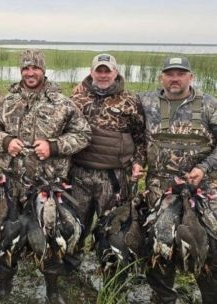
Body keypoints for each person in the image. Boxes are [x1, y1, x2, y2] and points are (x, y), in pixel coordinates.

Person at [0, 49, 91, 302]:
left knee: (51, 236)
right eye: (26, 69)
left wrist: (53, 146)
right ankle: (5, 285)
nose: (30, 73)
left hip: (48, 185)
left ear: (43, 71)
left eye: (35, 68)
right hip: (12, 182)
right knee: (5, 233)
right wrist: (6, 140)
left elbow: (84, 135)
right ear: (21, 71)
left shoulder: (62, 104)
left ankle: (52, 290)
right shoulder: (6, 101)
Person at [139, 56, 217, 304]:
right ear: (161, 76)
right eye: (170, 73)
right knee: (159, 246)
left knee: (207, 248)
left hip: (201, 190)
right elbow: (116, 105)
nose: (175, 78)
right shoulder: (146, 102)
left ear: (190, 77)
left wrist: (203, 168)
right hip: (159, 188)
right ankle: (163, 297)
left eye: (180, 73)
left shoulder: (208, 105)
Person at [69, 53, 146, 276]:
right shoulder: (77, 99)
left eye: (107, 70)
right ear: (91, 72)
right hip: (80, 173)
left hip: (113, 178)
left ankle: (113, 273)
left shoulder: (130, 101)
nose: (103, 75)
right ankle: (70, 269)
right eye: (99, 70)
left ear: (115, 73)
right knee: (76, 223)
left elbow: (141, 137)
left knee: (113, 227)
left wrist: (138, 162)